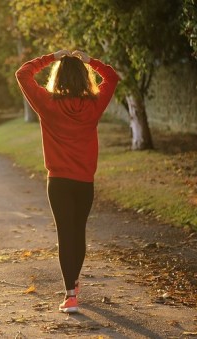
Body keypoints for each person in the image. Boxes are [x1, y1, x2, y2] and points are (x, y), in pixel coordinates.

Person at [15, 49, 119, 313]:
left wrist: (52, 57)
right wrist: (90, 61)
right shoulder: (94, 105)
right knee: (78, 232)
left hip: (58, 182)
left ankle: (70, 294)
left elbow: (23, 74)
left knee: (65, 234)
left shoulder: (47, 103)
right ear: (85, 78)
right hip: (84, 182)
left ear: (57, 77)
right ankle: (73, 283)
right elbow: (112, 77)